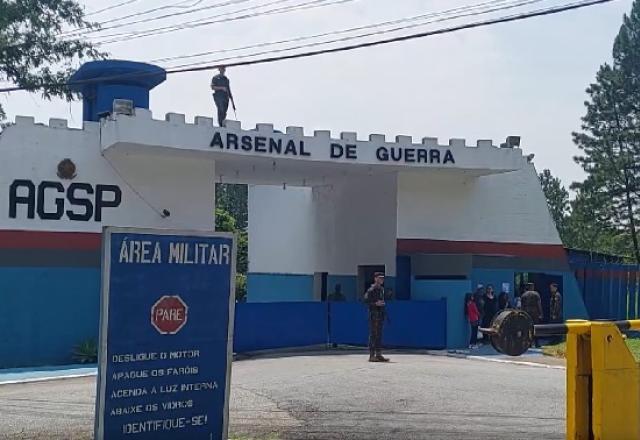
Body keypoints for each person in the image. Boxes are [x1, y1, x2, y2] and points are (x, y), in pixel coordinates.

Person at [364, 272, 389, 362]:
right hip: (373, 315)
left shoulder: (381, 289)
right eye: (379, 278)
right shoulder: (371, 290)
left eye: (382, 278)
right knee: (373, 334)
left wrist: (382, 304)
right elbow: (365, 301)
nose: (381, 280)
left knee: (379, 335)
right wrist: (375, 303)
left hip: (380, 314)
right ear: (375, 279)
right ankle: (371, 355)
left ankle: (378, 354)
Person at [521, 282, 544, 347]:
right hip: (535, 313)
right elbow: (539, 305)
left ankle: (529, 343)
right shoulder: (536, 294)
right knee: (536, 327)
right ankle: (537, 343)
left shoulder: (523, 295)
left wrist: (522, 313)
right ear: (533, 287)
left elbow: (522, 306)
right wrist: (541, 313)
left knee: (528, 328)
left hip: (527, 312)